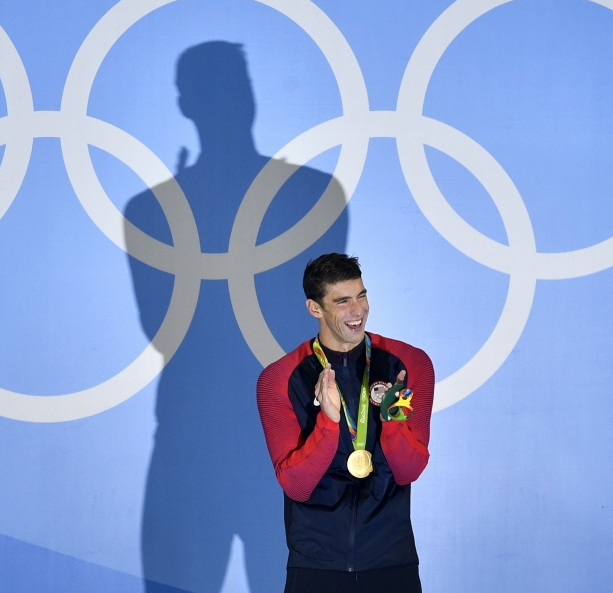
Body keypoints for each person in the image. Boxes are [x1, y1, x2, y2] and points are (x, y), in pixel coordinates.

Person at [126, 42, 350, 592]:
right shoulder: (153, 211)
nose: (234, 98)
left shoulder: (315, 197)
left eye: (238, 84)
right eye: (223, 85)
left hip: (281, 439)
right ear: (189, 103)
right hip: (194, 441)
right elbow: (164, 328)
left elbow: (312, 321)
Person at [256, 253, 434, 593]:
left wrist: (393, 422)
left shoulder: (410, 363)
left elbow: (408, 471)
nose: (358, 311)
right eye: (342, 301)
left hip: (392, 562)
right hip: (315, 566)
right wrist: (327, 422)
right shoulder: (278, 379)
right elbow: (296, 486)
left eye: (362, 295)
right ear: (315, 308)